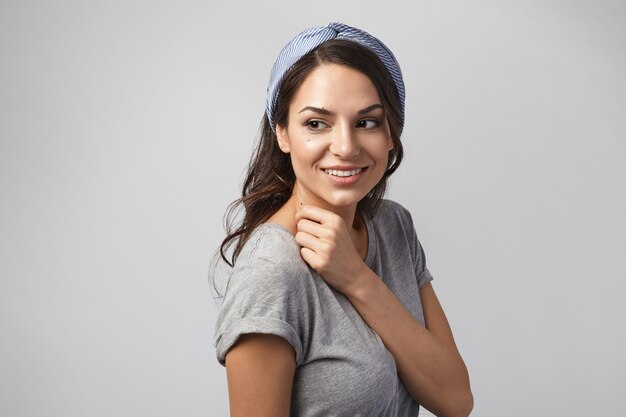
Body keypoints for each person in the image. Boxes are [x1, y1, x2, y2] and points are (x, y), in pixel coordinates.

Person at [212, 22, 473, 417]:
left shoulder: (394, 227)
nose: (346, 147)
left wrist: (357, 279)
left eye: (366, 121)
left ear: (391, 133)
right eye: (316, 123)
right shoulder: (271, 271)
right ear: (282, 133)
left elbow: (455, 401)